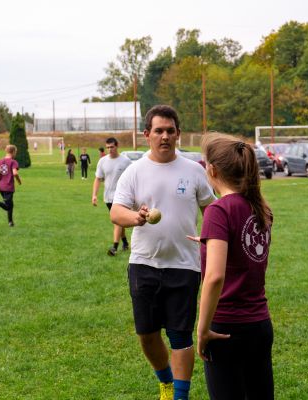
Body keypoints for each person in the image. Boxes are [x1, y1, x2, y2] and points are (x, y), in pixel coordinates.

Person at [111, 105, 215, 400]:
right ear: (147, 135)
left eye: (170, 130)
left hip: (184, 265)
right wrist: (137, 218)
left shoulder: (194, 171)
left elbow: (212, 209)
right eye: (159, 131)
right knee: (146, 333)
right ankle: (165, 381)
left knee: (181, 336)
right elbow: (117, 212)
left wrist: (214, 239)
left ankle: (178, 396)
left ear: (178, 134)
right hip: (144, 264)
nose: (165, 136)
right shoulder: (134, 171)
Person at [193, 134, 274, 399]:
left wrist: (202, 329)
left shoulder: (219, 211)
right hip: (259, 325)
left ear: (213, 170)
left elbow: (215, 277)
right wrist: (212, 241)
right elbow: (247, 254)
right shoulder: (260, 207)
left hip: (226, 328)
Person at [92, 137, 132, 256]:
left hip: (121, 197)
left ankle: (114, 247)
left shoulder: (125, 161)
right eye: (108, 147)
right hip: (107, 197)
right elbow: (98, 179)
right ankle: (125, 242)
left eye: (112, 147)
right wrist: (94, 195)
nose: (110, 149)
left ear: (117, 146)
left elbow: (132, 179)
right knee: (118, 222)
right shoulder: (102, 161)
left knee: (118, 222)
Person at [0, 144, 22, 227]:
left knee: (10, 204)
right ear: (13, 152)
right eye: (15, 152)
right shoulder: (13, 162)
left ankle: (10, 222)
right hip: (8, 187)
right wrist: (19, 181)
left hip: (1, 187)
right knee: (7, 207)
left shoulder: (0, 161)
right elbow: (15, 173)